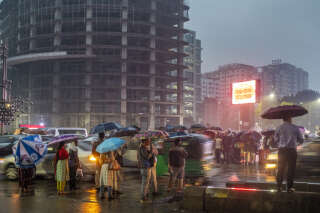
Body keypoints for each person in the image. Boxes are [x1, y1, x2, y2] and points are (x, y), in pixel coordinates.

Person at [274, 117, 304, 193]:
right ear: (290, 118)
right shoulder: (295, 128)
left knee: (280, 168)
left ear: (283, 119)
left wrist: (280, 142)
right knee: (291, 169)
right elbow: (301, 140)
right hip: (292, 151)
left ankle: (279, 186)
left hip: (282, 151)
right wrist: (296, 142)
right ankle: (289, 188)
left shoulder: (279, 128)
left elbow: (276, 140)